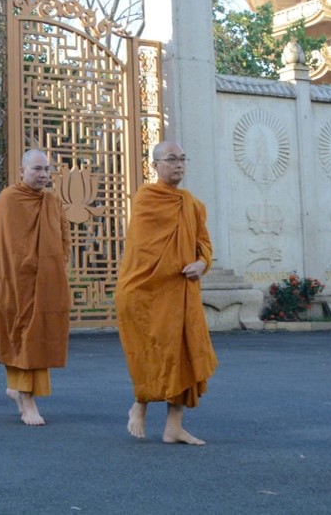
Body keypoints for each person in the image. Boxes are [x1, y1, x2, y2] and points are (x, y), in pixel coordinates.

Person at [116, 141, 217, 445]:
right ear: (155, 165)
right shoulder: (146, 199)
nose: (179, 164)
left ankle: (174, 426)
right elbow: (143, 250)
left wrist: (202, 263)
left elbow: (203, 244)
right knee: (151, 350)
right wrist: (174, 265)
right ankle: (140, 402)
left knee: (182, 353)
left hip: (181, 292)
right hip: (146, 291)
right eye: (171, 159)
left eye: (182, 159)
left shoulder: (193, 205)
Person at [0, 149, 70, 426]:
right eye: (37, 169)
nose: (43, 174)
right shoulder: (9, 199)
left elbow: (63, 238)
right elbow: (2, 246)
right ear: (21, 172)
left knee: (37, 336)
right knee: (19, 336)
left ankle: (19, 390)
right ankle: (27, 400)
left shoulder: (52, 202)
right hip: (15, 283)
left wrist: (56, 267)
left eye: (47, 169)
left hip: (45, 282)